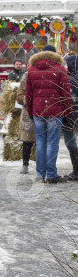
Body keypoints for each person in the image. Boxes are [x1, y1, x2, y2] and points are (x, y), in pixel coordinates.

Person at [25, 45, 73, 184]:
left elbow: (29, 95)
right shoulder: (60, 69)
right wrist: (67, 111)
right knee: (52, 143)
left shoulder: (32, 70)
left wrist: (30, 111)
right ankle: (51, 174)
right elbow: (65, 93)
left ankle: (40, 174)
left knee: (40, 142)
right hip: (55, 111)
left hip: (38, 112)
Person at [16, 73, 36, 174]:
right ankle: (25, 164)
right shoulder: (27, 76)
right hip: (28, 113)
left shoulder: (47, 74)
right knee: (27, 140)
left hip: (43, 112)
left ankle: (42, 166)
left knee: (43, 142)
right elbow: (19, 97)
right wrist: (29, 101)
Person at [63, 53, 78, 182]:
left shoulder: (71, 80)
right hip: (73, 115)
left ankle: (77, 171)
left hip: (71, 116)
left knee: (70, 142)